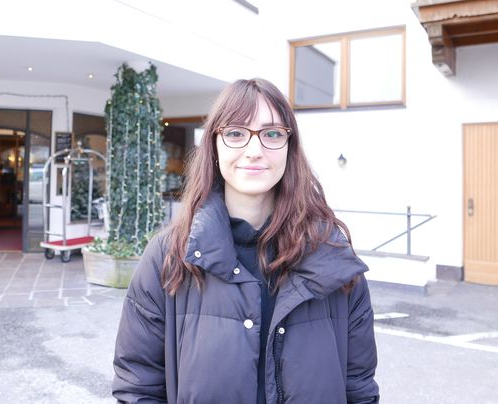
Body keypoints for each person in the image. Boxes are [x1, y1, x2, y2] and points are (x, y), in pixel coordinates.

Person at [112, 78, 379, 403]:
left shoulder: (332, 257)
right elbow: (138, 387)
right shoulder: (168, 257)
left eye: (272, 134)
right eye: (236, 133)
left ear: (289, 146)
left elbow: (359, 387)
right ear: (214, 144)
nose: (255, 151)